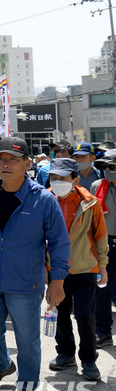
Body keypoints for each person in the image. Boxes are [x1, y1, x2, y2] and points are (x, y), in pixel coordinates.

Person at [0, 137, 70, 391]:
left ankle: (27, 386)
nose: (6, 164)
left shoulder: (43, 199)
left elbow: (59, 242)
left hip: (26, 283)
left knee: (27, 340)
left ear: (27, 163)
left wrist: (57, 280)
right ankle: (2, 364)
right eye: (1, 159)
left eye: (13, 159)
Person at [46, 158, 108, 381]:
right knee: (60, 314)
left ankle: (89, 359)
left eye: (62, 178)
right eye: (54, 177)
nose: (57, 182)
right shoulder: (46, 200)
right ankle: (65, 353)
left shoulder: (90, 203)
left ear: (76, 179)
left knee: (85, 315)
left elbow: (100, 235)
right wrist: (45, 268)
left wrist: (103, 265)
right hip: (57, 270)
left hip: (85, 268)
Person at [91, 149, 116, 348]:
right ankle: (103, 330)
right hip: (105, 243)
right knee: (102, 287)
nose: (108, 170)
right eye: (105, 167)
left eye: (113, 166)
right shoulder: (97, 186)